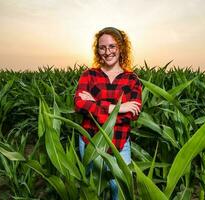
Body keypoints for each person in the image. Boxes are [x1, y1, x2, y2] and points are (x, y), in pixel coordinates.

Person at [74, 27, 142, 200]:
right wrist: (118, 107)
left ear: (120, 48)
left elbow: (132, 114)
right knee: (92, 190)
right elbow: (80, 105)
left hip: (120, 143)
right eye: (102, 47)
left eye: (112, 46)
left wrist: (95, 106)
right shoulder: (89, 75)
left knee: (120, 190)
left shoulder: (132, 79)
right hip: (90, 142)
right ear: (98, 50)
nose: (107, 52)